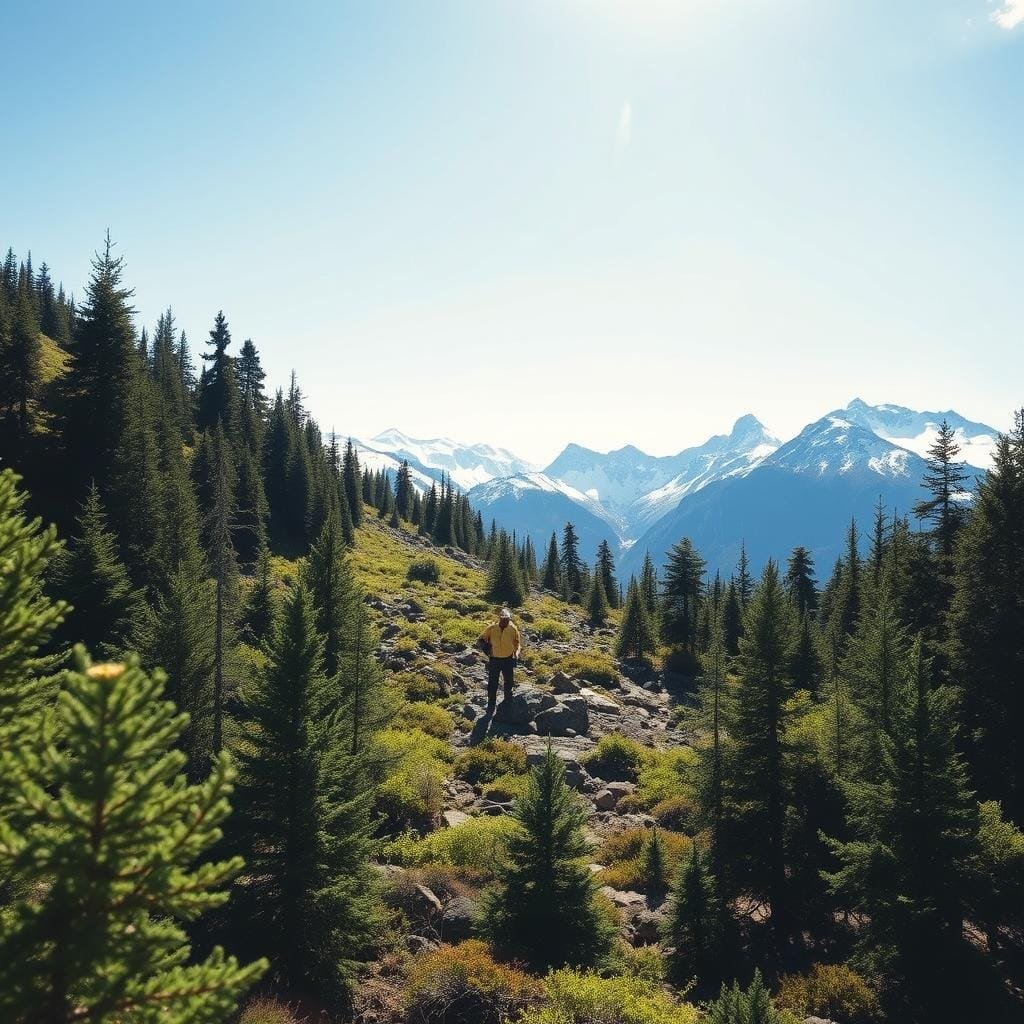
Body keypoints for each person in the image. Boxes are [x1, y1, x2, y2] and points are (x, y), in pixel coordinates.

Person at [478, 607, 522, 710]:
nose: (505, 621)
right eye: (503, 619)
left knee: (509, 681)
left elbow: (517, 643)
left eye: (507, 619)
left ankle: (507, 701)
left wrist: (516, 654)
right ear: (500, 618)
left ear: (509, 619)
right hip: (494, 659)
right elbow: (481, 640)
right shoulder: (492, 628)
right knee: (493, 682)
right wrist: (487, 651)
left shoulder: (513, 629)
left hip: (508, 659)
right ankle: (491, 702)